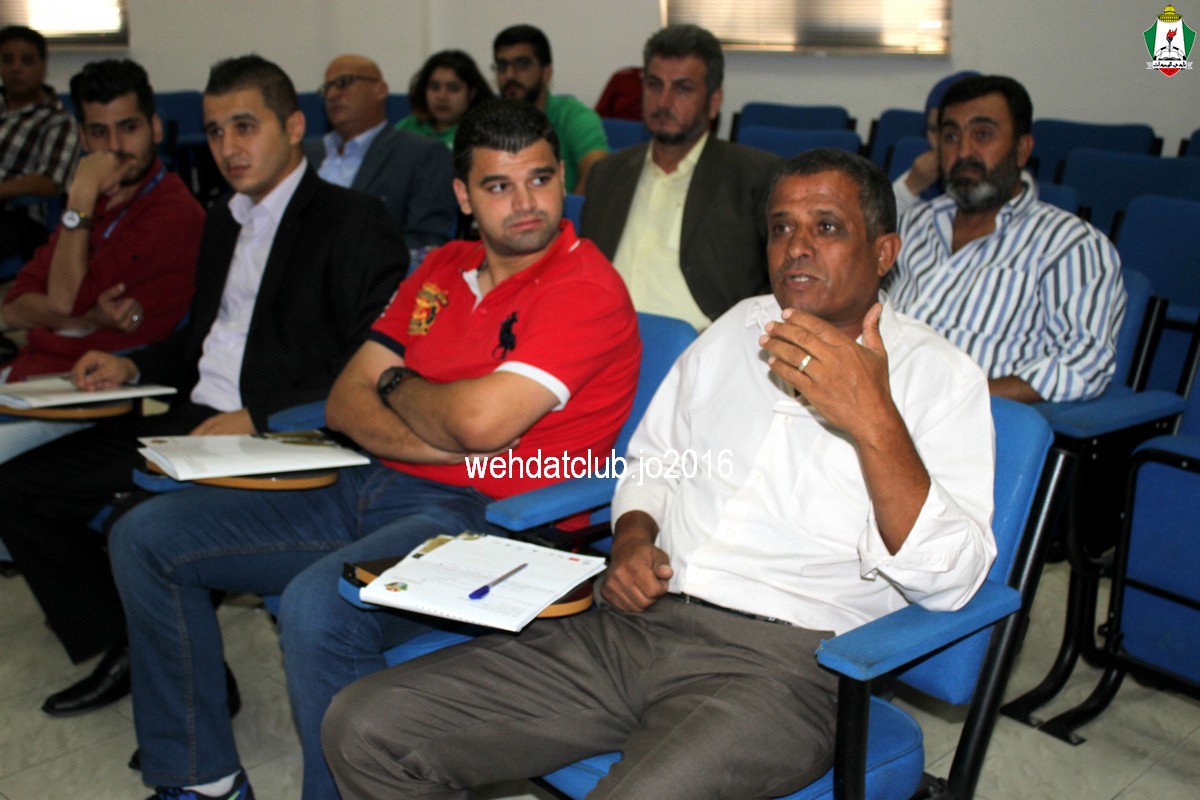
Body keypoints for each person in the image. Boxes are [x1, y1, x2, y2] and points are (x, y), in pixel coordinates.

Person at [321, 148, 997, 800]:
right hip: (637, 622)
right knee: (366, 728)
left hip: (785, 668)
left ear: (883, 252)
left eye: (826, 228)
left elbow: (953, 579)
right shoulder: (736, 330)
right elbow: (654, 460)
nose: (796, 247)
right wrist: (633, 540)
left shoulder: (939, 378)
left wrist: (875, 421)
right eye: (781, 227)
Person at [107, 99, 640, 800]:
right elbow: (346, 399)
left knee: (318, 606)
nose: (525, 204)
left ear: (562, 177)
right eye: (498, 186)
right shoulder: (442, 267)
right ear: (463, 195)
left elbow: (479, 425)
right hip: (373, 483)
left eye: (540, 179)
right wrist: (414, 409)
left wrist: (397, 387)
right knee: (146, 536)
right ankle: (200, 780)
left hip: (491, 518)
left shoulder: (585, 286)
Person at [0, 54, 406, 729]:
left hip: (279, 430)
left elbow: (368, 364)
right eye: (216, 131)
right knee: (19, 488)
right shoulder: (224, 218)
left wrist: (259, 415)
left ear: (294, 126)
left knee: (136, 526)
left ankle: (190, 689)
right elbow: (201, 339)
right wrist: (132, 366)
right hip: (196, 414)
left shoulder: (352, 219)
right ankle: (133, 647)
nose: (227, 147)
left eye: (245, 126)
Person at [0, 59, 205, 462]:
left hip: (93, 399)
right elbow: (14, 306)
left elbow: (60, 299)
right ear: (82, 137)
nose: (114, 146)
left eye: (128, 128)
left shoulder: (173, 213)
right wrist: (90, 316)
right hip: (32, 378)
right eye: (99, 132)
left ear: (155, 128)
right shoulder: (97, 206)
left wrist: (80, 194)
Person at [887, 75, 1125, 403]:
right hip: (867, 402)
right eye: (951, 136)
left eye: (983, 135)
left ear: (1022, 149)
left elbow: (1084, 365)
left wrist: (957, 398)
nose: (963, 151)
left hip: (966, 420)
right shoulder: (912, 225)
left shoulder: (1070, 245)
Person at [582, 24, 780, 329]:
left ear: (714, 102)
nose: (663, 102)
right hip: (605, 335)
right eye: (654, 85)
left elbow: (780, 282)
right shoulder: (607, 174)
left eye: (682, 88)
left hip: (704, 345)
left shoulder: (754, 177)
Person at [302, 54, 456, 261]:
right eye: (327, 88)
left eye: (344, 82)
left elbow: (426, 242)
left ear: (380, 89)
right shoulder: (302, 152)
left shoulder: (422, 154)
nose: (332, 94)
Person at [493, 23, 608, 193]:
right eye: (502, 66)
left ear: (546, 72)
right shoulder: (489, 119)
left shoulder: (574, 117)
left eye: (522, 64)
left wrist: (567, 209)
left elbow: (598, 174)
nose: (509, 75)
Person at [0, 25, 80, 262]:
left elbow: (50, 181)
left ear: (43, 67)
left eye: (26, 61)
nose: (16, 68)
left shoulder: (57, 120)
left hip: (18, 217)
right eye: (7, 60)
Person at [892, 70, 980, 214]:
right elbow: (875, 220)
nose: (940, 142)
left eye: (951, 133)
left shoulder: (993, 178)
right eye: (933, 129)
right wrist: (909, 188)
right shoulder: (924, 173)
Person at [394, 49, 494, 149]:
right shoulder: (407, 128)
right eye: (434, 87)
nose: (442, 96)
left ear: (472, 93)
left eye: (453, 88)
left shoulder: (483, 134)